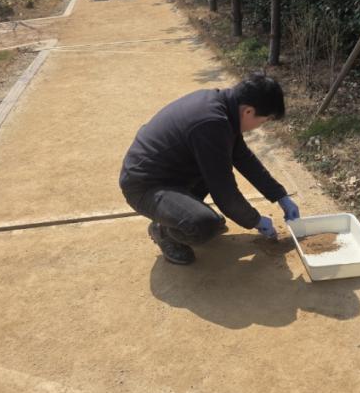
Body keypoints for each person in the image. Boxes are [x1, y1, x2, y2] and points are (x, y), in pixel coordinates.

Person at [119, 73, 300, 265]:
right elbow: (225, 193)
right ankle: (164, 231)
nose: (259, 126)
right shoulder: (211, 123)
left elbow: (244, 158)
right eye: (263, 121)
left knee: (215, 166)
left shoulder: (223, 108)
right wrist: (255, 220)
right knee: (204, 225)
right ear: (248, 111)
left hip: (168, 175)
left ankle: (180, 212)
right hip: (144, 186)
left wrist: (280, 196)